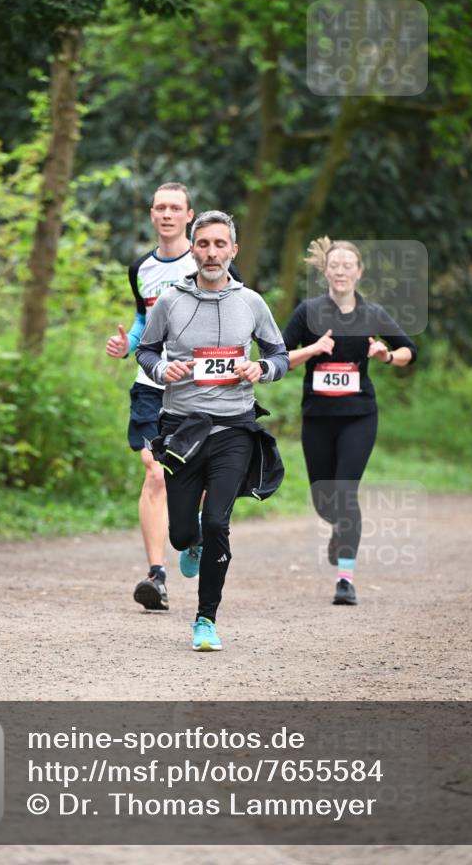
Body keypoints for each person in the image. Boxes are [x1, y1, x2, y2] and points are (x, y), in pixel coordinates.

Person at [136, 211, 288, 651]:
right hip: (183, 430)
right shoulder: (171, 302)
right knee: (181, 533)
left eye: (220, 244)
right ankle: (193, 538)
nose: (211, 252)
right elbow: (146, 351)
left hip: (234, 428)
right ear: (194, 250)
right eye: (203, 244)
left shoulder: (251, 302)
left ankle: (205, 619)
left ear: (233, 250)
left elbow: (279, 355)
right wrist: (162, 370)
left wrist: (261, 368)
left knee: (219, 521)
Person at [281, 237, 418, 606]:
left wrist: (386, 355)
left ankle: (345, 579)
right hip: (318, 417)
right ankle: (339, 528)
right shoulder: (308, 312)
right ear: (325, 271)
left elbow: (409, 350)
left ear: (359, 272)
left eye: (347, 266)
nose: (340, 271)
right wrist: (312, 349)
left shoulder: (372, 313)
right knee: (324, 501)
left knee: (345, 491)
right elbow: (278, 357)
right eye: (334, 265)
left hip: (359, 416)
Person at [105, 183, 195, 612]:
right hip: (150, 383)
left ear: (189, 215)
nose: (167, 214)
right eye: (161, 207)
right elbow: (143, 321)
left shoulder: (206, 260)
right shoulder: (140, 268)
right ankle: (156, 576)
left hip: (197, 388)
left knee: (194, 476)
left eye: (175, 208)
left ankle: (193, 533)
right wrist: (127, 345)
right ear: (152, 214)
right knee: (155, 472)